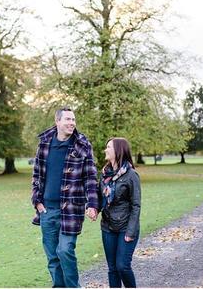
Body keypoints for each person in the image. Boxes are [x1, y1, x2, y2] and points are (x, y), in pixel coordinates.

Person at [31, 107, 99, 288]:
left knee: (65, 250)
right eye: (68, 119)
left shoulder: (82, 145)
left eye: (73, 120)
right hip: (47, 209)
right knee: (53, 256)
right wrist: (37, 201)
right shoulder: (45, 144)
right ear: (57, 122)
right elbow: (37, 175)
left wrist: (92, 203)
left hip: (71, 209)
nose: (71, 123)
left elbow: (91, 178)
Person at [98, 137, 141, 288]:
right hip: (107, 227)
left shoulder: (131, 175)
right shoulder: (105, 174)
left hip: (125, 227)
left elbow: (136, 205)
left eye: (109, 147)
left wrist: (130, 231)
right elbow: (100, 198)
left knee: (122, 266)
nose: (106, 150)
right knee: (112, 269)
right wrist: (94, 209)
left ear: (118, 150)